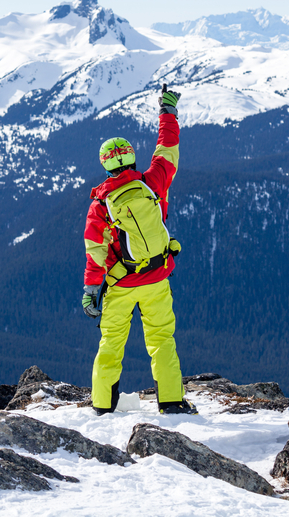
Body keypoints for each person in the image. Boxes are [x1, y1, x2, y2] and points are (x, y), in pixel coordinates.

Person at [81, 85, 197, 415]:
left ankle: (103, 407)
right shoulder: (153, 182)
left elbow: (95, 250)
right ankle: (171, 402)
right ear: (131, 157)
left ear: (106, 166)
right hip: (157, 278)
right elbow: (167, 149)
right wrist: (167, 111)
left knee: (111, 345)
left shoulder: (101, 204)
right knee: (162, 340)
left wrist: (92, 289)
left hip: (120, 285)